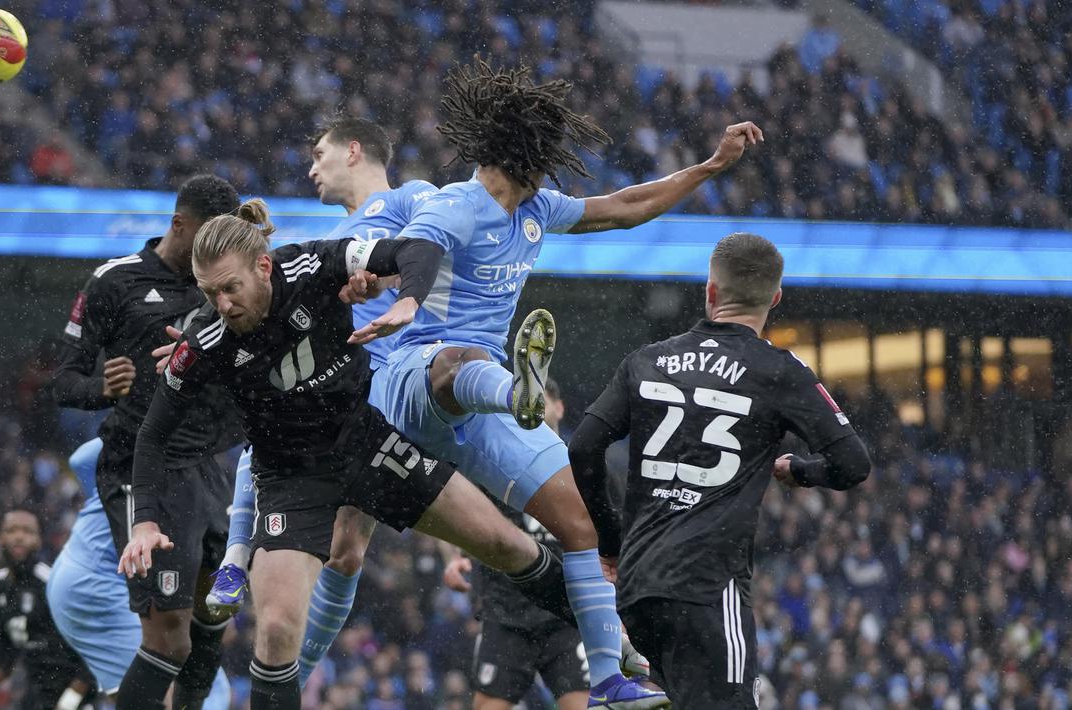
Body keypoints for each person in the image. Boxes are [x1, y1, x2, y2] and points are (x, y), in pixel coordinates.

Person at [121, 201, 657, 710]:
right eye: (209, 293)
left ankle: (617, 645)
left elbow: (409, 251)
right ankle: (240, 558)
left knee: (506, 544)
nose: (223, 304)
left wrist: (407, 300)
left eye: (230, 289)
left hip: (368, 443)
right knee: (279, 629)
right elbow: (152, 437)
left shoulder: (311, 265)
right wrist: (145, 522)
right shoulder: (206, 341)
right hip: (290, 480)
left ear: (264, 266)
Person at [354, 58, 760, 703]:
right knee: (459, 360)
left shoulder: (537, 207)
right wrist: (408, 299)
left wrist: (710, 166)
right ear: (530, 154)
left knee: (577, 527)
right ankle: (515, 391)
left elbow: (626, 208)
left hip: (479, 399)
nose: (553, 167)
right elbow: (420, 247)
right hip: (410, 377)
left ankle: (608, 681)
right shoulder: (460, 205)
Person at [567, 232, 872, 709]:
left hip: (639, 589)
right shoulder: (778, 370)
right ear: (775, 298)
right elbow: (853, 464)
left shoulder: (647, 361)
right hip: (708, 588)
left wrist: (611, 541)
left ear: (710, 291)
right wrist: (802, 471)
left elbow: (584, 447)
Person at [204, 117, 436, 687]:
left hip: (387, 380)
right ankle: (244, 575)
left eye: (319, 154)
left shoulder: (411, 198)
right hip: (333, 383)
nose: (311, 168)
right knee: (342, 550)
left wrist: (393, 288)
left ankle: (286, 660)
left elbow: (432, 245)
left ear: (353, 150)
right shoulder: (327, 241)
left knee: (345, 548)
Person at [50, 174, 243, 709]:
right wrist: (100, 389)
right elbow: (64, 381)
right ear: (179, 225)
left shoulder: (224, 283)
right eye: (208, 240)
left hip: (210, 466)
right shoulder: (115, 282)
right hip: (143, 467)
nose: (216, 255)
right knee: (168, 635)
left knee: (214, 618)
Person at [45, 438, 231, 708]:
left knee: (191, 680)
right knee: (183, 679)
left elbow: (81, 459)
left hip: (79, 571)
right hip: (98, 581)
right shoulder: (171, 447)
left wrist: (109, 495)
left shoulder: (136, 453)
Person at [442, 379, 591, 710]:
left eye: (543, 401)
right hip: (505, 614)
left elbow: (611, 532)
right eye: (528, 401)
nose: (536, 408)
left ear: (559, 407)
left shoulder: (585, 465)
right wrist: (455, 557)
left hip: (568, 615)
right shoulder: (493, 462)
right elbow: (456, 509)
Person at [0, 510, 94, 710]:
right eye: (11, 530)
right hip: (35, 692)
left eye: (27, 531)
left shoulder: (53, 585)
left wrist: (70, 701)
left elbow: (93, 647)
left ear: (39, 540)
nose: (19, 536)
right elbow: (7, 650)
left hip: (76, 692)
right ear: (1, 538)